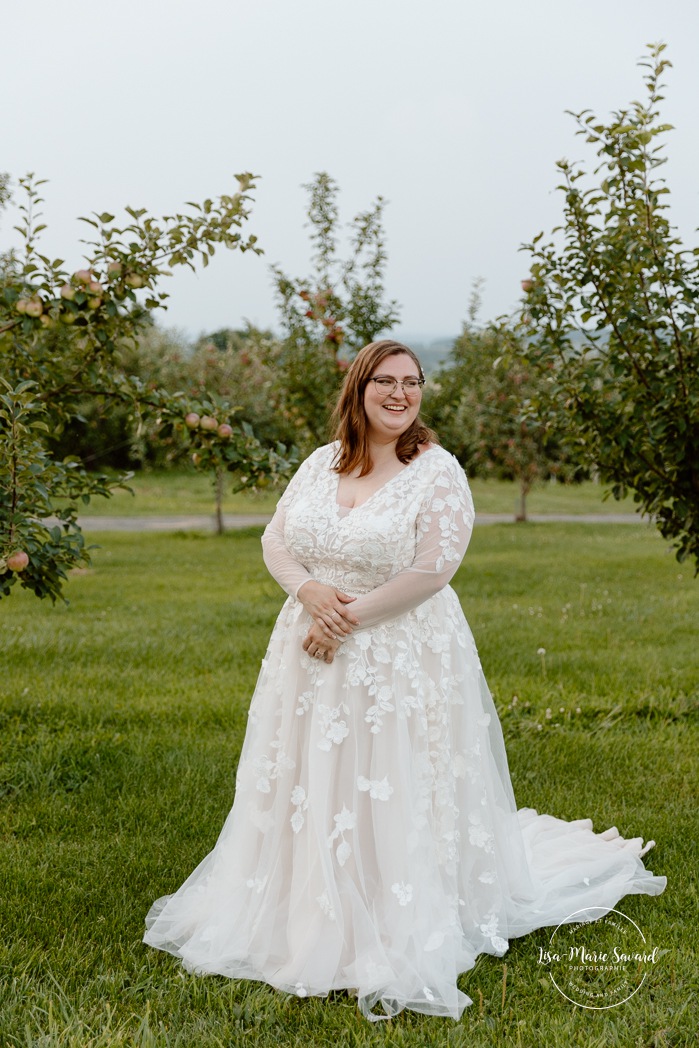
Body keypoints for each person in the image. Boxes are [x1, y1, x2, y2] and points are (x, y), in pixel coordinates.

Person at [144, 339, 666, 1021]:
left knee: (386, 774)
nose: (399, 394)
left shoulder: (436, 471)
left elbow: (432, 569)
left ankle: (389, 913)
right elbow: (274, 539)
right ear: (357, 390)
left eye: (411, 382)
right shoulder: (318, 463)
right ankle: (300, 912)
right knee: (309, 776)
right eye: (384, 381)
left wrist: (343, 619)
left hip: (397, 648)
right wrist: (307, 593)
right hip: (308, 648)